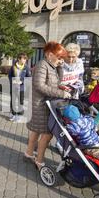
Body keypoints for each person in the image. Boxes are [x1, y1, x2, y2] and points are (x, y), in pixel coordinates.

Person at [25, 42, 72, 170]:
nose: (61, 60)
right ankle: (39, 162)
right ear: (50, 54)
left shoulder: (51, 66)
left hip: (44, 104)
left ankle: (29, 154)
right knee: (47, 134)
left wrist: (60, 68)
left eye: (63, 58)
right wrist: (61, 93)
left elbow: (57, 82)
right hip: (41, 105)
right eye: (60, 57)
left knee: (36, 131)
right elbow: (40, 86)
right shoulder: (42, 66)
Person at [8, 53, 31, 122]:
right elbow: (9, 75)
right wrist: (12, 81)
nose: (25, 60)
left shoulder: (26, 67)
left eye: (25, 59)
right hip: (13, 87)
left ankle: (19, 115)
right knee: (13, 101)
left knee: (20, 102)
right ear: (19, 59)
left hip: (21, 88)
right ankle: (13, 114)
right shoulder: (13, 67)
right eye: (23, 59)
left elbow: (29, 77)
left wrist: (22, 82)